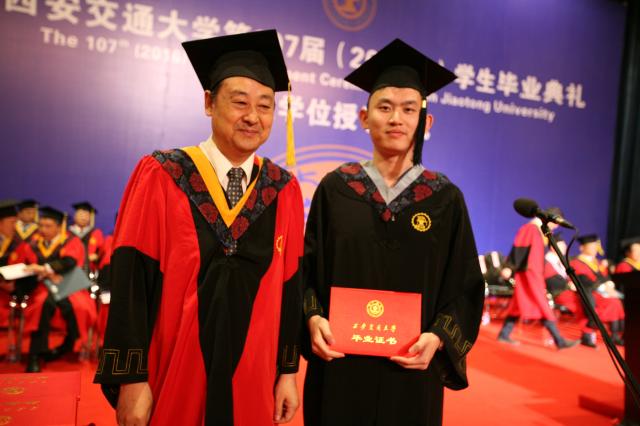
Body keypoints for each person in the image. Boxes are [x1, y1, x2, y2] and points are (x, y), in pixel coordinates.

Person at [93, 29, 304, 426]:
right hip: (172, 366)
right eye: (239, 102)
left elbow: (290, 286)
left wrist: (287, 372)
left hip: (254, 375)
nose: (253, 117)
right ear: (209, 103)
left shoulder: (283, 189)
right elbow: (130, 277)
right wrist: (131, 378)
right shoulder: (163, 174)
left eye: (265, 106)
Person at [301, 39, 485, 426]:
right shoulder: (336, 189)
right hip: (340, 368)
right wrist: (313, 318)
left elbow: (465, 284)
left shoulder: (444, 198)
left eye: (408, 109)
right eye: (384, 107)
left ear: (425, 122)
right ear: (364, 117)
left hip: (411, 372)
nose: (396, 119)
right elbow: (306, 272)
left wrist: (438, 337)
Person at [24, 206, 97, 372]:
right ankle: (35, 355)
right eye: (41, 225)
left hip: (69, 285)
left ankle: (67, 346)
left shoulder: (70, 241)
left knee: (78, 308)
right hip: (43, 286)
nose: (43, 230)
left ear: (58, 226)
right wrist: (47, 274)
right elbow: (29, 265)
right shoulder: (34, 243)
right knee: (42, 305)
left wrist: (45, 269)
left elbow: (70, 262)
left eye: (48, 226)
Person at [497, 209, 578, 349]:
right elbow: (519, 248)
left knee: (519, 305)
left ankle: (504, 334)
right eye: (555, 223)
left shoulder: (539, 231)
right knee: (542, 305)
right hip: (529, 275)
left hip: (534, 274)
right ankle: (559, 340)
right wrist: (509, 266)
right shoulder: (531, 229)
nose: (555, 227)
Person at [570, 234, 625, 347]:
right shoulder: (576, 262)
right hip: (588, 293)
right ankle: (591, 333)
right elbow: (584, 281)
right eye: (591, 246)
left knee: (617, 301)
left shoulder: (597, 262)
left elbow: (605, 277)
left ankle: (615, 335)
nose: (594, 249)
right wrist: (604, 289)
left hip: (601, 292)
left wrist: (609, 286)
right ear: (582, 248)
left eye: (595, 246)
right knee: (613, 302)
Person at [68, 202, 104, 273]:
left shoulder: (96, 233)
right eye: (81, 214)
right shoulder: (67, 233)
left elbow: (101, 251)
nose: (83, 218)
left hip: (89, 269)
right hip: (70, 267)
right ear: (75, 216)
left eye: (86, 215)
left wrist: (97, 256)